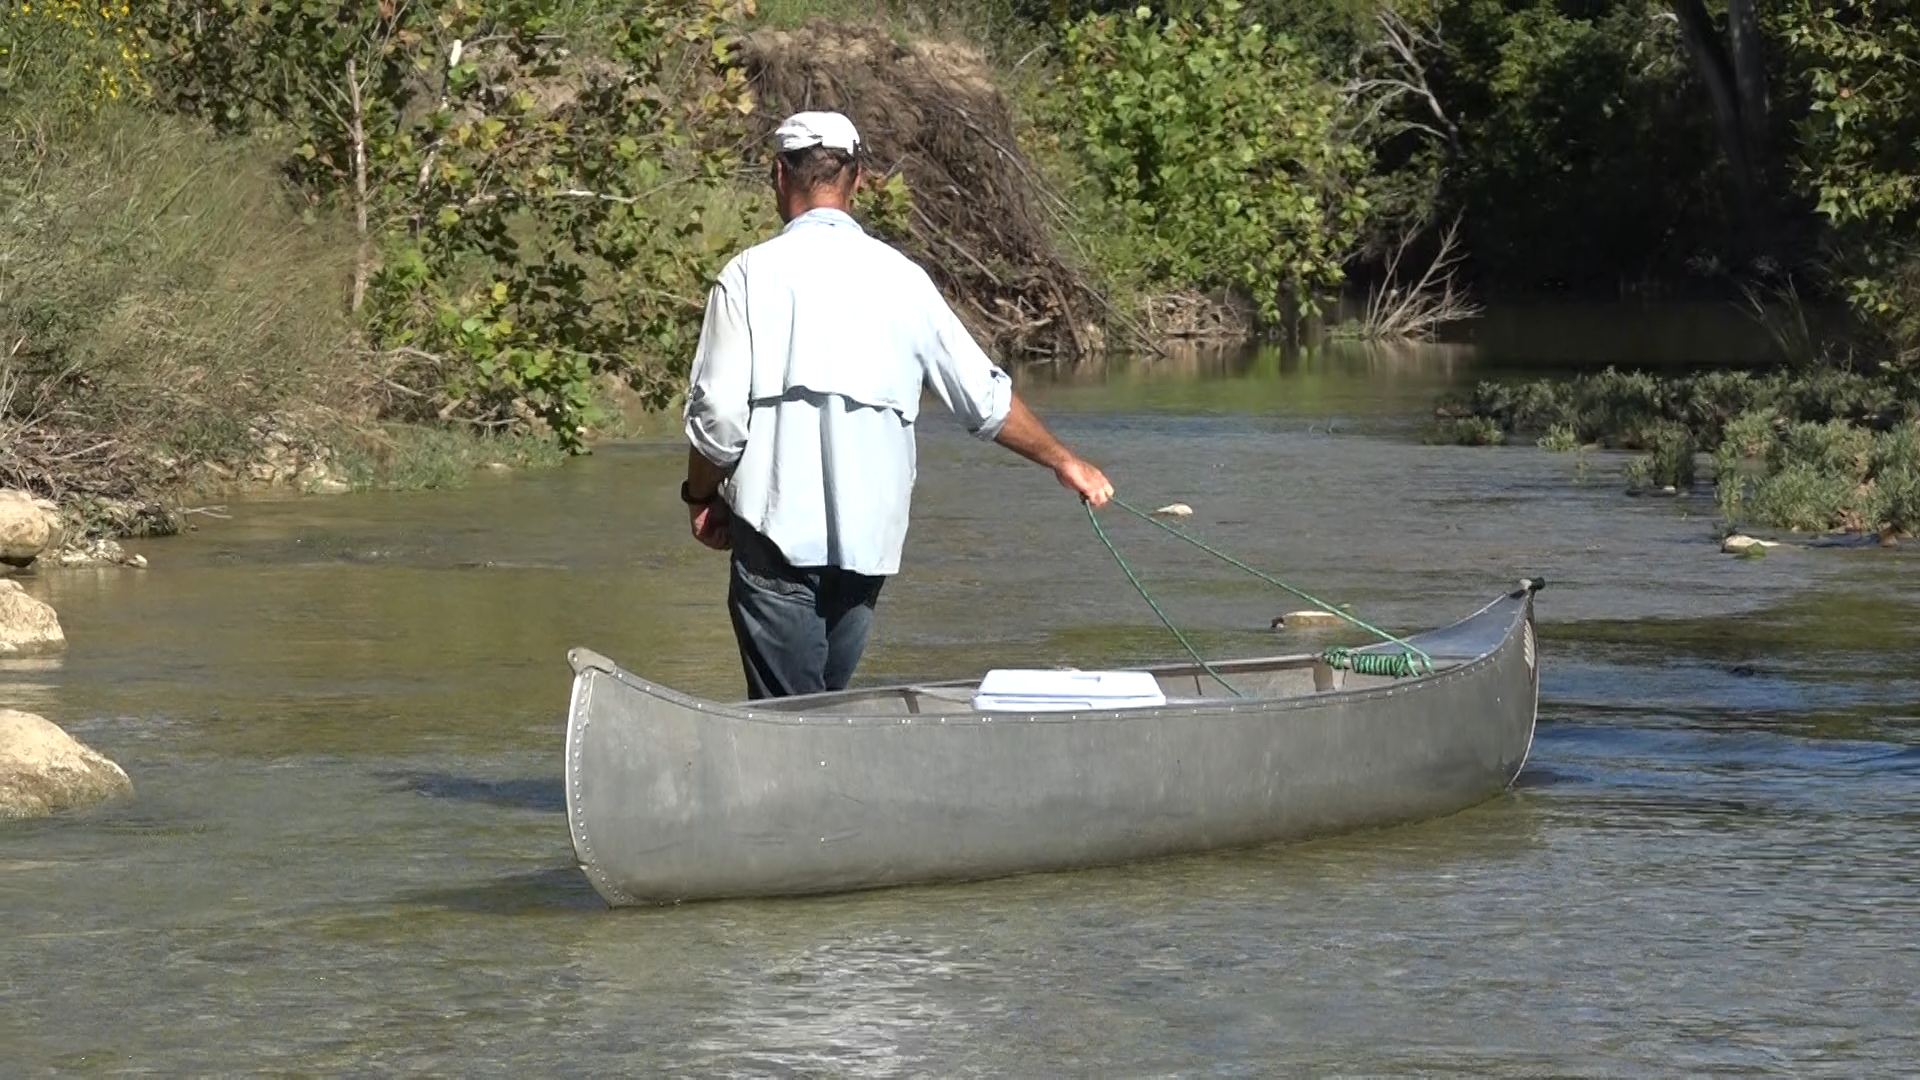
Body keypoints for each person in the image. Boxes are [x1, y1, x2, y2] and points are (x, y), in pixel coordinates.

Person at [680, 110, 1115, 700]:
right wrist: (1064, 460)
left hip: (774, 537)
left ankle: (798, 786)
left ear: (779, 176)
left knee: (793, 721)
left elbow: (719, 422)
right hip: (867, 548)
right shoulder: (905, 280)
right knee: (818, 710)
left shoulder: (747, 277)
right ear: (858, 180)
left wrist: (701, 494)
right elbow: (983, 400)